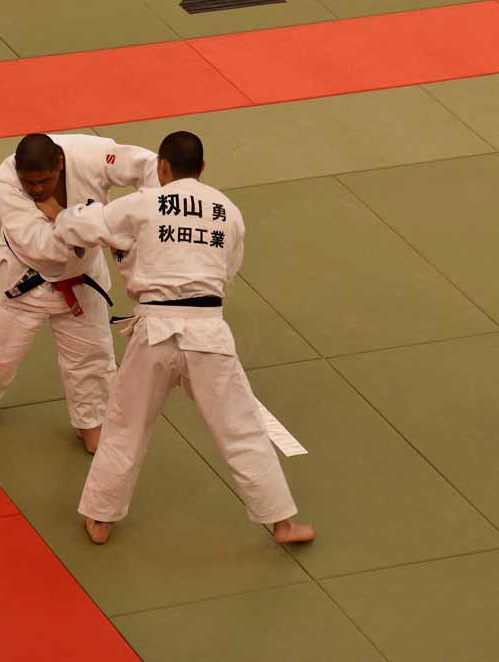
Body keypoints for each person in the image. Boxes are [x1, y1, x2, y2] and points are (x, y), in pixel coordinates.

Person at [45, 131, 314, 544]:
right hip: (208, 330)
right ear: (202, 168)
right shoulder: (227, 211)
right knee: (241, 428)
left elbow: (83, 225)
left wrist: (56, 213)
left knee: (126, 426)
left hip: (155, 330)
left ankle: (100, 518)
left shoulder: (142, 203)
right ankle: (282, 523)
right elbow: (228, 271)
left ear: (163, 167)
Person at [0, 133, 158, 452]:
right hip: (20, 280)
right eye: (29, 182)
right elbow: (44, 247)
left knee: (93, 359)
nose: (37, 189)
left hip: (83, 277)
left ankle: (91, 422)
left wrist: (151, 210)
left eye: (44, 180)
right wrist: (108, 228)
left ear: (60, 163)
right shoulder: (4, 183)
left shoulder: (90, 154)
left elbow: (150, 165)